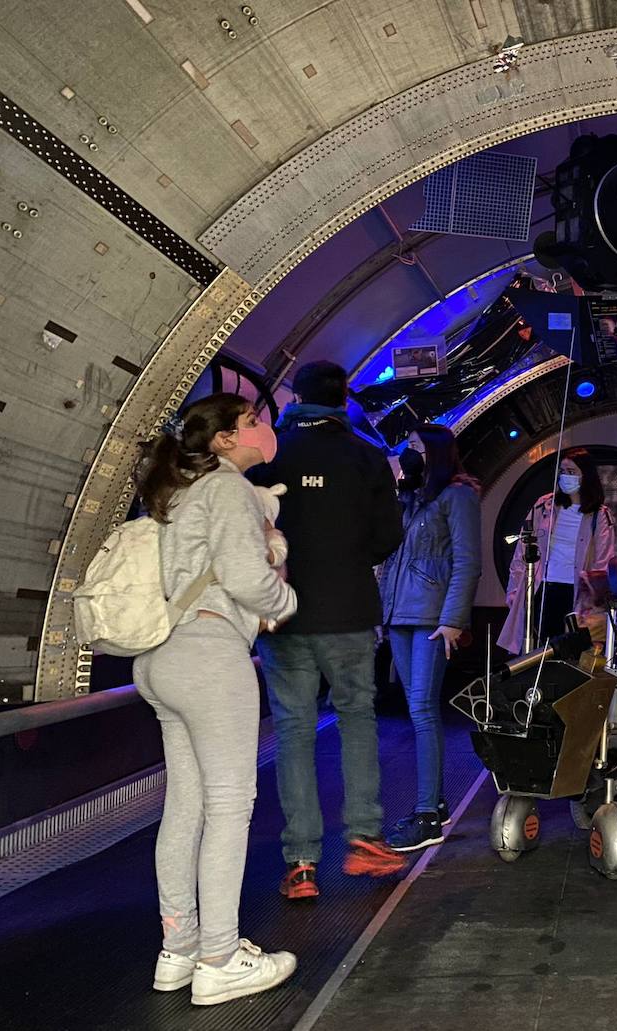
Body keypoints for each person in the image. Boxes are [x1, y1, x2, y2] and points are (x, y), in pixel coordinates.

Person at [132, 393, 299, 1005]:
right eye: (254, 421)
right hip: (208, 653)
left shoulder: (179, 492)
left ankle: (178, 950)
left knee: (185, 809)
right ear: (226, 439)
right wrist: (286, 604)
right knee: (230, 808)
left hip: (162, 656)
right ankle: (221, 960)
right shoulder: (226, 489)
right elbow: (246, 578)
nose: (266, 427)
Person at [249, 361, 407, 900]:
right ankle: (364, 840)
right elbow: (389, 535)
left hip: (283, 615)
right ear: (344, 400)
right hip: (348, 613)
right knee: (357, 720)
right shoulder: (365, 455)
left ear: (296, 397)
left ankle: (300, 865)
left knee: (293, 731)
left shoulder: (269, 457)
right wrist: (346, 562)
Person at [379, 424, 482, 851]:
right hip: (402, 614)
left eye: (417, 446)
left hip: (431, 616)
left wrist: (454, 619)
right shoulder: (413, 498)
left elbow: (467, 561)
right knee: (416, 708)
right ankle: (432, 805)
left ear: (436, 452)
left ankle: (427, 814)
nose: (409, 453)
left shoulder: (457, 496)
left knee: (422, 709)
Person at [497, 449, 616, 655]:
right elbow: (522, 552)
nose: (565, 476)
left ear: (585, 476)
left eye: (571, 471)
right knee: (534, 649)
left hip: (575, 594)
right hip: (541, 588)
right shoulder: (544, 505)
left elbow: (602, 563)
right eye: (562, 471)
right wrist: (514, 589)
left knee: (569, 653)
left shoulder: (600, 515)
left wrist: (593, 602)